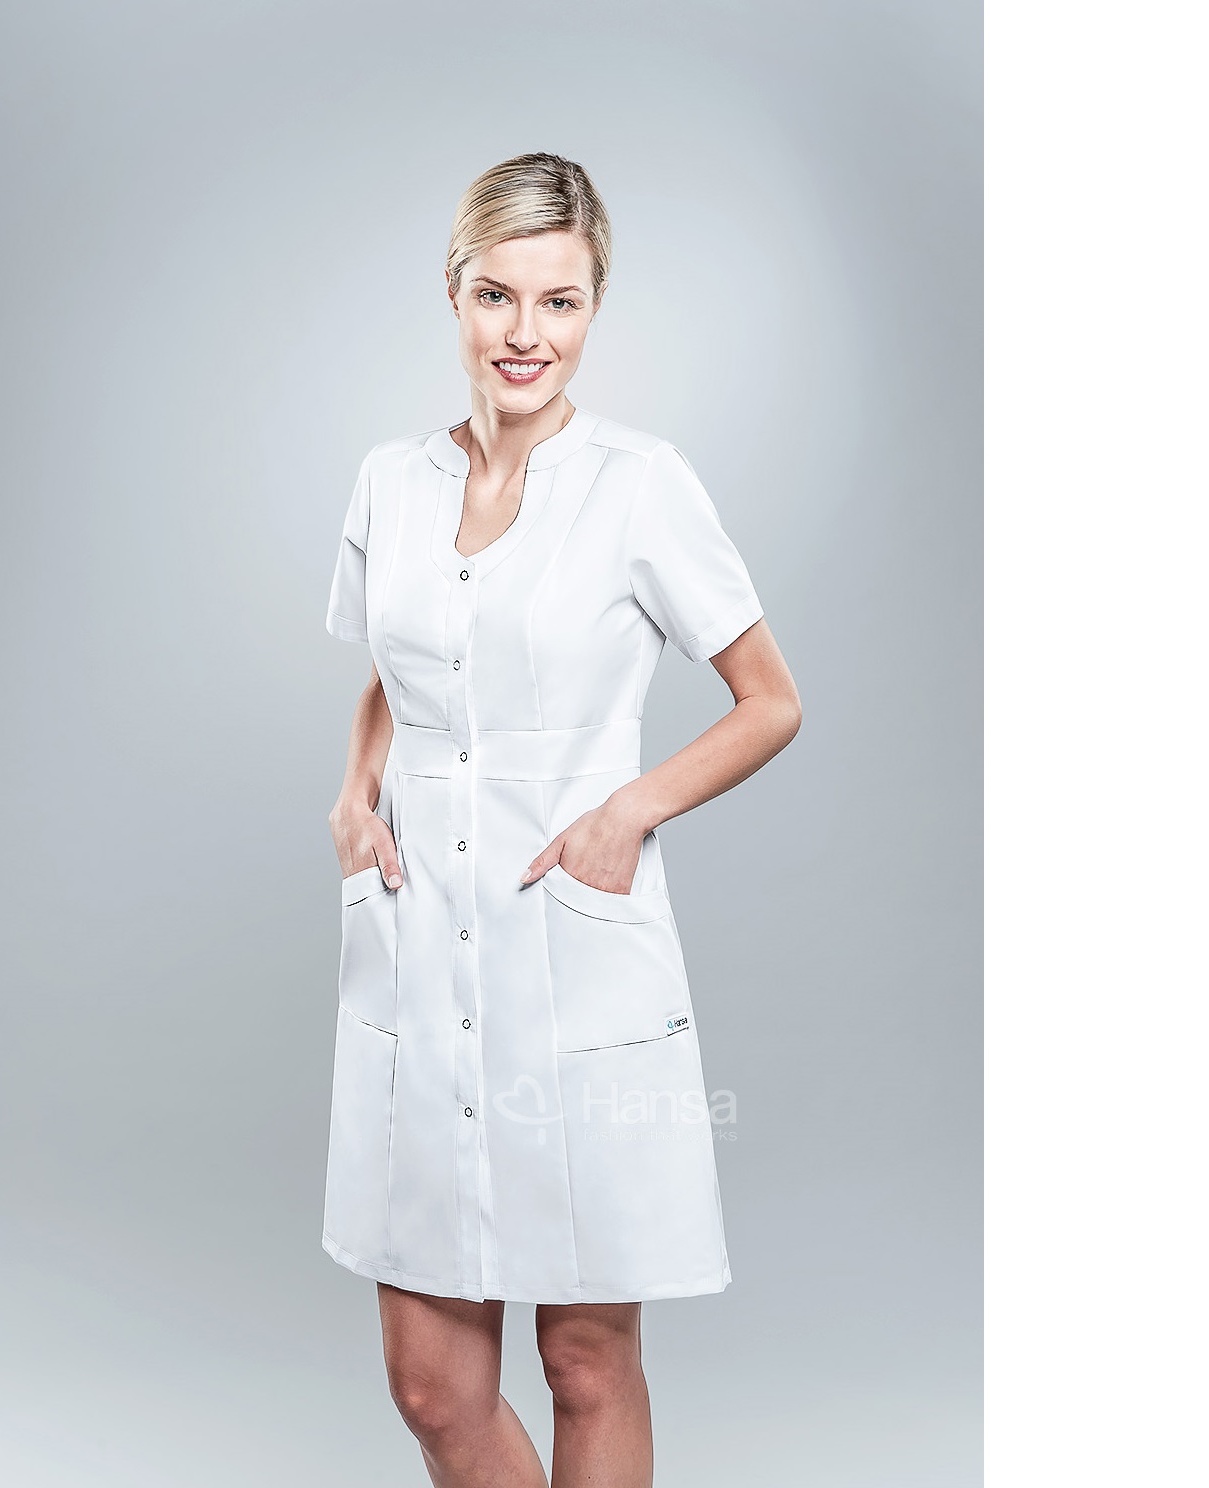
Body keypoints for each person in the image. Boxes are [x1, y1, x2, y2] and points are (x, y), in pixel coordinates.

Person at [322, 152, 802, 1488]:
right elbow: (397, 669)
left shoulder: (641, 483)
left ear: (595, 308)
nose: (526, 333)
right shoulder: (391, 483)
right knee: (433, 1386)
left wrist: (628, 813)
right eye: (498, 296)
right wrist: (354, 794)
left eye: (561, 301)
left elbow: (770, 700)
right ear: (455, 295)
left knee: (586, 1358)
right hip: (419, 950)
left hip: (572, 945)